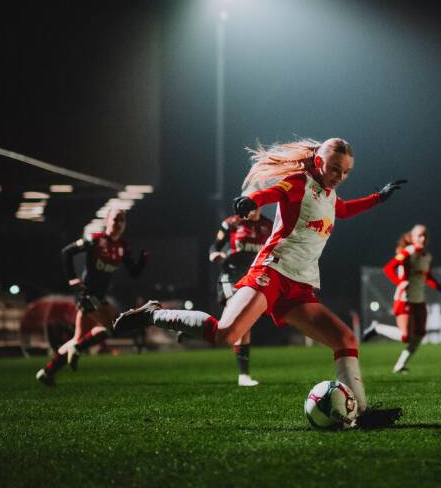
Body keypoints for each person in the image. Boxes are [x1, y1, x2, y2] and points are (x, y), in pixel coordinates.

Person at [114, 137, 406, 428]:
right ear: (319, 162)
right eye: (334, 169)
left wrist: (377, 198)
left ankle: (362, 413)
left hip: (301, 286)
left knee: (345, 340)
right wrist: (252, 200)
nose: (340, 177)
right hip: (273, 271)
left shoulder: (328, 196)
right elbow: (273, 193)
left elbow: (343, 210)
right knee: (226, 334)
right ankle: (154, 314)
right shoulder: (299, 183)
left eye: (346, 173)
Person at [36, 208, 147, 386]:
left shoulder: (123, 247)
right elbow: (67, 252)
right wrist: (72, 278)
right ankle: (76, 350)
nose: (118, 224)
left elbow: (133, 272)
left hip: (99, 296)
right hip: (86, 294)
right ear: (107, 220)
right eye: (115, 219)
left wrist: (142, 262)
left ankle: (47, 372)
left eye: (122, 221)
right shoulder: (96, 240)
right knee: (110, 328)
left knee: (79, 338)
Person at [362, 224, 441, 373]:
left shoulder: (427, 257)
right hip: (405, 299)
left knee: (420, 336)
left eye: (425, 235)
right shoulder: (407, 253)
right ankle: (377, 327)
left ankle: (400, 365)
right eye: (419, 235)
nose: (423, 238)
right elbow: (388, 268)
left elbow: (427, 277)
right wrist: (400, 282)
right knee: (406, 337)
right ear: (412, 237)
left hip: (419, 301)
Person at [207, 207, 273, 386]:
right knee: (238, 323)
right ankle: (243, 375)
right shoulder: (232, 222)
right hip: (231, 276)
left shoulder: (269, 225)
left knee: (236, 326)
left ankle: (191, 327)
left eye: (254, 205)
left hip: (251, 278)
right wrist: (215, 254)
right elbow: (215, 246)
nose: (250, 210)